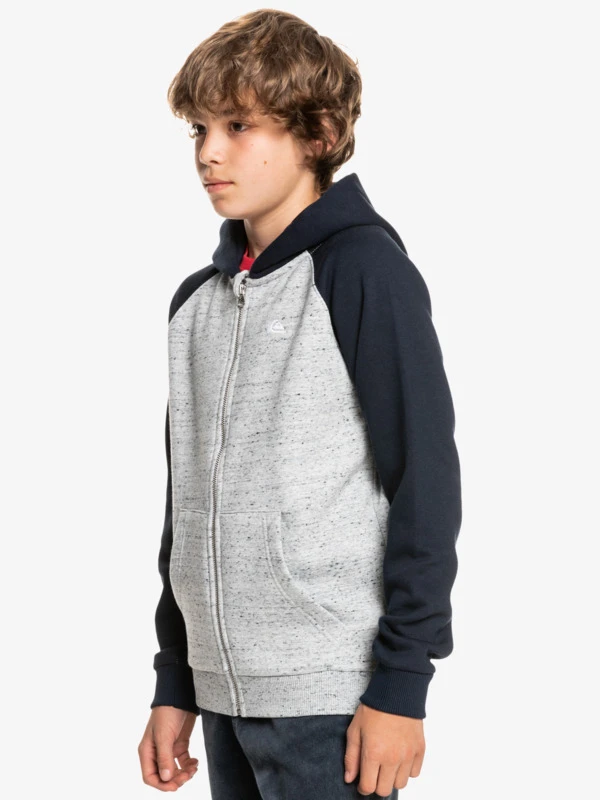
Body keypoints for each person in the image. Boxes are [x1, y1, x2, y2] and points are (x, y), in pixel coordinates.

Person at [138, 9, 462, 799]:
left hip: (332, 699)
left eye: (239, 125)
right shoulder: (195, 307)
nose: (209, 152)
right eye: (200, 129)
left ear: (318, 134)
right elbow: (187, 509)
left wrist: (402, 684)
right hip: (222, 695)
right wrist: (177, 679)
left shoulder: (364, 273)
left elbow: (425, 484)